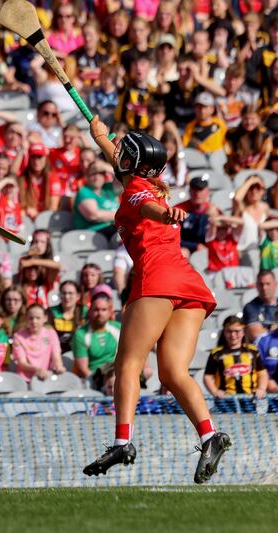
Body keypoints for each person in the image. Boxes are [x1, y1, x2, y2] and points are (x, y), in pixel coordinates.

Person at [83, 118, 229, 484]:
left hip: (157, 279)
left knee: (128, 365)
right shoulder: (147, 181)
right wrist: (101, 137)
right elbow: (121, 161)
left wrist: (167, 213)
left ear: (131, 164)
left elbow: (147, 206)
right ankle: (210, 436)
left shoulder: (137, 190)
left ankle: (122, 441)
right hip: (190, 286)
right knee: (173, 373)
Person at [204, 316, 268, 399]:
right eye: (229, 331)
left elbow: (262, 373)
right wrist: (215, 391)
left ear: (244, 332)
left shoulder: (253, 351)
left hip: (252, 399)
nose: (233, 335)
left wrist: (261, 389)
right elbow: (208, 376)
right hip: (226, 401)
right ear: (224, 332)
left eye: (237, 331)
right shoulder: (216, 353)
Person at [72, 293, 122, 390]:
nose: (100, 313)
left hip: (117, 371)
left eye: (104, 310)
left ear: (110, 312)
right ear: (89, 311)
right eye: (96, 310)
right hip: (96, 377)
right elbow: (84, 370)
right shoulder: (81, 334)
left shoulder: (118, 328)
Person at [12, 304, 65, 383]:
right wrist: (37, 370)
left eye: (38, 318)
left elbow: (56, 355)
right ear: (26, 319)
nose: (34, 321)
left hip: (47, 378)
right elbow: (22, 363)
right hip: (25, 380)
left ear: (45, 318)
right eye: (31, 318)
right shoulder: (18, 337)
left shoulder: (51, 333)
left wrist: (58, 365)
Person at [242, 270, 278, 342]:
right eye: (261, 284)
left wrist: (268, 328)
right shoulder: (251, 307)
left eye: (268, 284)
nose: (264, 288)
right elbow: (256, 335)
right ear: (256, 286)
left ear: (276, 284)